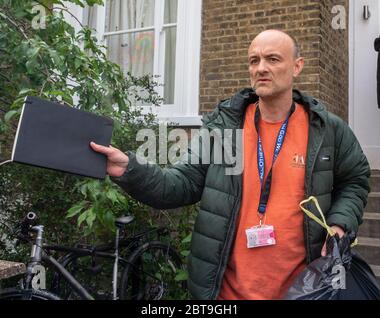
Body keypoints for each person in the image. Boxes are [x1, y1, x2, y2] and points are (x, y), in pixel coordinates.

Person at [90, 29, 370, 300]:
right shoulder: (225, 128)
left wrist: (340, 224)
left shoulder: (326, 130)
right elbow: (179, 185)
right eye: (254, 60)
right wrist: (128, 168)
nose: (261, 68)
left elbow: (355, 180)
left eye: (273, 59)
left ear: (297, 66)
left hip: (305, 291)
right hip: (226, 293)